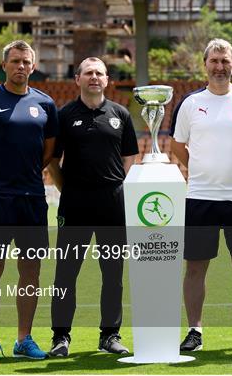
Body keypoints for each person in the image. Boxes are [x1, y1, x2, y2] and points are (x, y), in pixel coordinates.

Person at [170, 38, 232, 352]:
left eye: (225, 61)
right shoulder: (189, 104)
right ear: (205, 65)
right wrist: (200, 170)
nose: (219, 67)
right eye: (214, 61)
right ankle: (195, 331)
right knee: (196, 266)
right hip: (200, 196)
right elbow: (176, 147)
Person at [0, 40, 58, 362]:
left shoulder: (45, 104)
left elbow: (49, 149)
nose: (21, 66)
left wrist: (29, 176)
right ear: (4, 65)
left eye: (26, 62)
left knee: (31, 272)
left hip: (32, 199)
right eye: (15, 61)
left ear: (33, 67)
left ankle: (24, 338)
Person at [48, 57, 138, 357]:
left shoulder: (120, 114)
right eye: (88, 73)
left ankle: (110, 335)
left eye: (99, 73)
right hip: (74, 206)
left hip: (112, 205)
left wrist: (115, 184)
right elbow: (52, 160)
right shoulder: (64, 116)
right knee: (65, 274)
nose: (94, 77)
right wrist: (68, 190)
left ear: (107, 79)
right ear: (78, 79)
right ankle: (60, 337)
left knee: (112, 274)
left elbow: (129, 156)